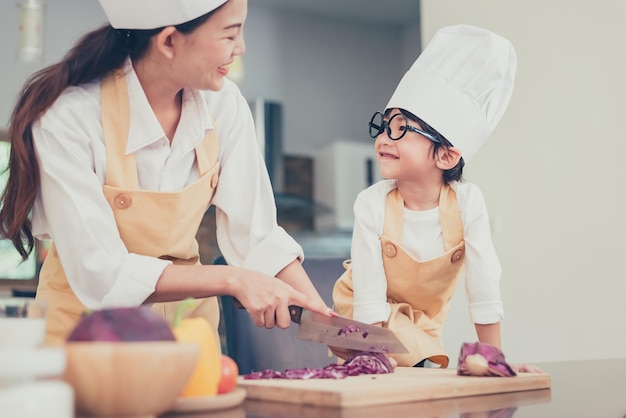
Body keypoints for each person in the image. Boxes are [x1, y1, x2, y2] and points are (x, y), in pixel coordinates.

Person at [0, 0, 332, 346]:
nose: (241, 48)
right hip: (84, 336)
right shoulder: (70, 119)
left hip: (184, 331)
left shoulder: (225, 106)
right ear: (169, 41)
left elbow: (258, 237)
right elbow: (102, 272)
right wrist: (233, 279)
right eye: (230, 34)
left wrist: (326, 322)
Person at [332, 24, 539, 372]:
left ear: (445, 156)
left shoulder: (468, 204)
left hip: (423, 328)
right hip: (364, 319)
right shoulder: (371, 204)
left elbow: (484, 283)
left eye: (400, 129)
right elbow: (368, 295)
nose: (384, 138)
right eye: (384, 126)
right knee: (423, 368)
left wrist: (495, 362)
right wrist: (372, 359)